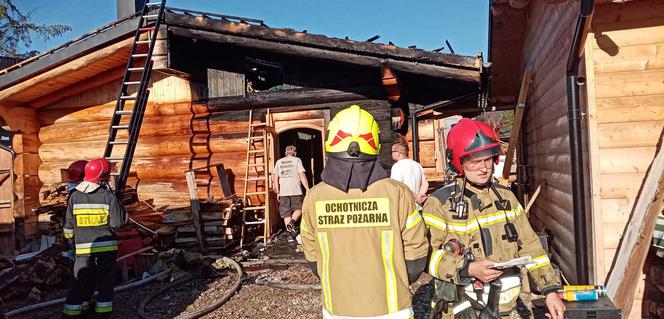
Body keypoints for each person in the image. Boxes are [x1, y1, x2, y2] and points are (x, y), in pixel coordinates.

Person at [422, 118, 565, 319]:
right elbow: (426, 255)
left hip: (505, 310)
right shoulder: (439, 203)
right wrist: (468, 268)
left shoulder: (506, 197)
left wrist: (550, 290)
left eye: (488, 159)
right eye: (474, 160)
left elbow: (531, 247)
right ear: (459, 161)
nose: (483, 168)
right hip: (459, 311)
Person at [301, 105, 429, 318]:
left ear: (331, 142)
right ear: (375, 145)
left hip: (338, 309)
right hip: (392, 309)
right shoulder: (397, 193)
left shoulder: (314, 197)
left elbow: (312, 257)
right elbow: (416, 256)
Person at [63, 158, 127, 319]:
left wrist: (71, 245)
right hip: (107, 249)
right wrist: (124, 215)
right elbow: (117, 223)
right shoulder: (108, 196)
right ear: (103, 175)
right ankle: (102, 315)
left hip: (83, 249)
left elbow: (68, 227)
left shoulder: (74, 197)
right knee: (105, 282)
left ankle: (72, 313)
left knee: (79, 281)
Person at [272, 145, 310, 240]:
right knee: (299, 208)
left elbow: (275, 177)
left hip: (284, 192)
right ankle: (292, 222)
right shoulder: (297, 160)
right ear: (295, 153)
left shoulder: (279, 162)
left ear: (286, 153)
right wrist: (307, 188)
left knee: (286, 213)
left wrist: (278, 191)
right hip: (295, 190)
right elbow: (302, 175)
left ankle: (290, 235)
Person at [390, 141, 429, 205]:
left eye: (392, 152)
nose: (391, 154)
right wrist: (420, 196)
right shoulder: (417, 165)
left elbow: (400, 186)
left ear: (398, 153)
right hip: (418, 205)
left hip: (406, 205)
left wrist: (416, 197)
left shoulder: (397, 166)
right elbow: (425, 183)